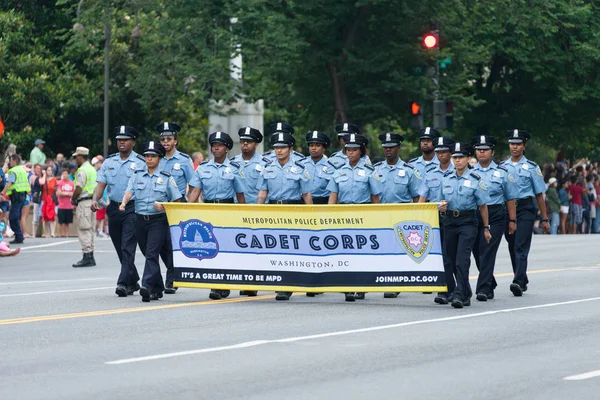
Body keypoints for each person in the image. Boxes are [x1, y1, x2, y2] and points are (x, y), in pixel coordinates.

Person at [120, 141, 182, 302]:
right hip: (139, 220)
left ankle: (146, 285)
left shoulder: (167, 178)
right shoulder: (137, 175)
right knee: (148, 254)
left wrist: (164, 206)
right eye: (147, 156)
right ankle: (157, 288)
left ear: (159, 158)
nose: (149, 159)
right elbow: (129, 191)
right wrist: (124, 202)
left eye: (153, 156)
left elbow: (177, 201)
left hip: (158, 222)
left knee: (152, 254)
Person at [189, 132, 246, 300]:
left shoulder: (234, 169)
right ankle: (216, 284)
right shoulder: (203, 168)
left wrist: (244, 216)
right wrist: (187, 210)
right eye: (213, 145)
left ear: (227, 148)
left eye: (219, 145)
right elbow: (195, 193)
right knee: (211, 248)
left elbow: (240, 195)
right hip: (208, 212)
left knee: (225, 249)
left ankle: (223, 283)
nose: (216, 148)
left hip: (227, 210)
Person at [257, 131, 313, 301]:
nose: (279, 151)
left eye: (282, 147)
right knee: (275, 248)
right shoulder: (268, 167)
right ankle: (280, 282)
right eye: (276, 147)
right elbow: (263, 192)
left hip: (293, 211)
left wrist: (312, 215)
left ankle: (288, 285)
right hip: (273, 211)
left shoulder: (300, 168)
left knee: (291, 249)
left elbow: (306, 194)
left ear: (290, 149)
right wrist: (256, 210)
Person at [92, 125, 145, 297]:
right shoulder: (109, 162)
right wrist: (95, 200)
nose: (121, 142)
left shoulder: (141, 162)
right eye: (119, 140)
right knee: (118, 246)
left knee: (127, 247)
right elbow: (101, 184)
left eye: (125, 139)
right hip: (114, 208)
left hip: (133, 208)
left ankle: (123, 283)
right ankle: (133, 279)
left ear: (133, 142)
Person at [327, 133, 381, 302]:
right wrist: (329, 217)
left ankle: (361, 285)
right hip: (343, 214)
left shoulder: (369, 172)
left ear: (361, 151)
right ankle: (348, 287)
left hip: (363, 214)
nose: (350, 153)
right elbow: (333, 197)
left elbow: (375, 198)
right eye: (348, 150)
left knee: (360, 252)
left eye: (354, 150)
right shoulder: (339, 172)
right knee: (345, 252)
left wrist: (378, 220)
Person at [438, 142, 491, 308]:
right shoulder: (446, 179)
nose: (457, 160)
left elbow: (482, 206)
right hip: (449, 221)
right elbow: (440, 202)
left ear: (468, 159)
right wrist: (441, 208)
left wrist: (486, 228)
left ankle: (460, 294)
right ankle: (463, 290)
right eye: (455, 157)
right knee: (450, 259)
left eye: (461, 157)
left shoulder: (475, 179)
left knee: (462, 259)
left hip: (467, 222)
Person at [501, 129, 549, 296]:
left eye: (518, 144)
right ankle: (521, 276)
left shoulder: (531, 167)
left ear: (524, 145)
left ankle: (518, 281)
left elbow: (539, 194)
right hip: (507, 209)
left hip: (525, 208)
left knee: (521, 245)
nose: (515, 147)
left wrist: (545, 217)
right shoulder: (502, 167)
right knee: (512, 244)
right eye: (512, 144)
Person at [374, 132, 421, 299]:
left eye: (391, 147)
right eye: (385, 147)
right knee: (383, 250)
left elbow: (417, 196)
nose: (388, 150)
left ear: (398, 148)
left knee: (397, 251)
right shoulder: (377, 169)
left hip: (402, 214)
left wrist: (417, 219)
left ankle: (394, 283)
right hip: (381, 214)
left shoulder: (409, 171)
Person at [471, 135, 517, 302]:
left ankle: (483, 288)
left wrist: (512, 220)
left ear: (492, 151)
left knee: (487, 250)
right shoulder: (470, 173)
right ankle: (490, 281)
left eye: (485, 149)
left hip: (496, 215)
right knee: (476, 251)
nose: (482, 152)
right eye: (479, 149)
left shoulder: (502, 173)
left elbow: (510, 198)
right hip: (475, 214)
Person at [418, 137, 455, 303]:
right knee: (441, 256)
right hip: (435, 218)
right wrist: (419, 214)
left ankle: (460, 288)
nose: (441, 155)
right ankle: (445, 289)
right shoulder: (431, 173)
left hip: (456, 218)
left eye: (444, 151)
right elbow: (422, 197)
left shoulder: (459, 170)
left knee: (455, 256)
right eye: (439, 152)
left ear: (451, 153)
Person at [71, 147, 97, 267]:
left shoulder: (82, 171)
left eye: (76, 157)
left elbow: (79, 187)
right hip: (92, 202)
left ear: (81, 157)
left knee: (84, 229)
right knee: (90, 229)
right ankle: (91, 255)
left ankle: (87, 256)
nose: (75, 159)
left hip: (84, 202)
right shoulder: (92, 169)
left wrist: (73, 198)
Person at [157, 122, 194, 201]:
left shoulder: (185, 160)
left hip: (178, 202)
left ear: (175, 141)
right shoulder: (156, 159)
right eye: (163, 139)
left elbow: (193, 186)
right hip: (159, 202)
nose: (165, 141)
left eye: (169, 139)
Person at [232, 126, 266, 205]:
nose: (245, 143)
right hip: (236, 208)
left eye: (249, 141)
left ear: (256, 145)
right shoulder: (232, 163)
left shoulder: (265, 164)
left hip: (258, 208)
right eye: (243, 141)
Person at [1, 154, 30, 244]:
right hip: (22, 196)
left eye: (10, 160)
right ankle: (19, 236)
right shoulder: (22, 170)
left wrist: (3, 192)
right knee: (16, 217)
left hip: (16, 197)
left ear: (14, 161)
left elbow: (9, 183)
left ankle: (19, 236)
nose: (9, 162)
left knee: (13, 218)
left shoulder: (13, 171)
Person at [301, 130, 333, 204]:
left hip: (323, 203)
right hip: (303, 203)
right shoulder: (301, 164)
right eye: (311, 145)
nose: (314, 148)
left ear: (323, 148)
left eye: (318, 145)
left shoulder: (331, 166)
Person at [40, 165, 58, 238]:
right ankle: (46, 232)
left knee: (53, 216)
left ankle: (53, 232)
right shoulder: (42, 179)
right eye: (48, 170)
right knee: (45, 216)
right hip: (44, 199)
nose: (50, 172)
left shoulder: (54, 179)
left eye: (50, 170)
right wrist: (44, 174)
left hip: (52, 199)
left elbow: (56, 189)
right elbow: (41, 183)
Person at [92, 156, 108, 237]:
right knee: (97, 215)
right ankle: (96, 230)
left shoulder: (100, 172)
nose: (101, 164)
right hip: (97, 196)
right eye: (100, 162)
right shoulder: (94, 172)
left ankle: (100, 230)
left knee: (102, 215)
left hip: (102, 196)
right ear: (96, 163)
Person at [56, 168, 74, 237]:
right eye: (63, 174)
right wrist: (68, 193)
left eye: (66, 173)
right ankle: (59, 235)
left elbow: (73, 193)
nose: (64, 175)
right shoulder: (60, 183)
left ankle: (67, 235)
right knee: (60, 222)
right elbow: (58, 193)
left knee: (67, 222)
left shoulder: (72, 183)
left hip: (69, 206)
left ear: (68, 174)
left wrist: (64, 193)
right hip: (61, 205)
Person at [28, 164, 43, 238]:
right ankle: (34, 234)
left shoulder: (41, 177)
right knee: (36, 216)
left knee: (42, 215)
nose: (38, 170)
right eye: (37, 168)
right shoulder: (33, 177)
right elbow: (40, 182)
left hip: (43, 197)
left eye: (39, 168)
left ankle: (41, 232)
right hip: (36, 197)